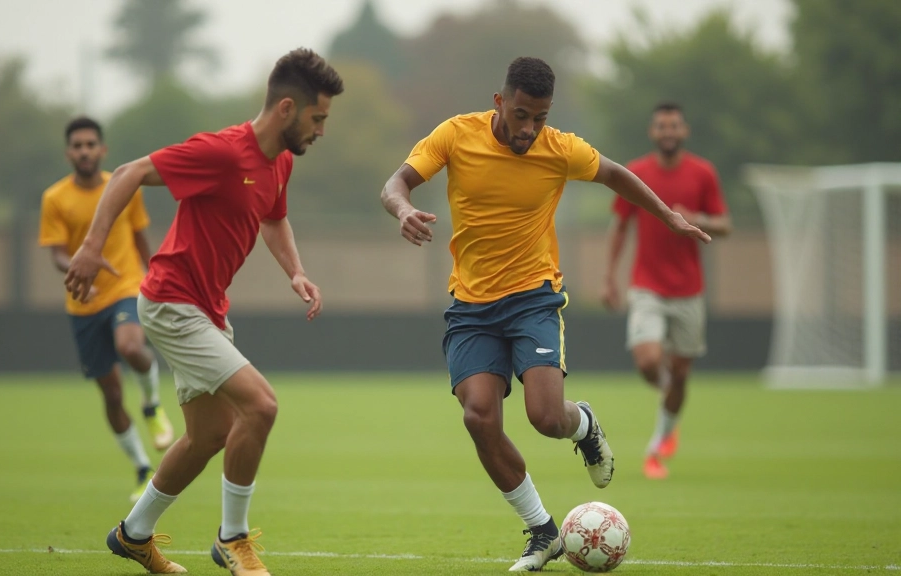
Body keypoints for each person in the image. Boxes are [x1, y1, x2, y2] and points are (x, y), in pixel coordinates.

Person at [381, 58, 710, 572]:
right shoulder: (456, 135)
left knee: (546, 418)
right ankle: (542, 532)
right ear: (499, 102)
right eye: (521, 115)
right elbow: (395, 182)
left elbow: (616, 175)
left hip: (533, 297)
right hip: (470, 306)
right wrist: (402, 208)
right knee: (478, 417)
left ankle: (585, 426)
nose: (529, 128)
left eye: (540, 116)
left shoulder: (560, 148)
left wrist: (667, 215)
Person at [64, 48, 344, 576]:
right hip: (172, 302)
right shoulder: (221, 152)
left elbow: (274, 218)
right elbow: (127, 172)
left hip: (207, 310)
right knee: (260, 406)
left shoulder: (280, 160)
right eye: (318, 118)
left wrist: (296, 271)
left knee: (208, 436)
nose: (321, 130)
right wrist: (92, 246)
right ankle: (232, 540)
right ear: (287, 108)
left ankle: (133, 535)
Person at [38, 116, 175, 503]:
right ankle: (142, 468)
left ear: (103, 150)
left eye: (90, 144)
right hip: (83, 304)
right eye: (77, 145)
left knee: (132, 347)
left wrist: (155, 278)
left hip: (125, 287)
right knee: (112, 396)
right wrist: (80, 267)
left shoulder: (125, 185)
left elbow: (139, 235)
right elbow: (58, 255)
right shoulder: (55, 199)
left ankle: (151, 406)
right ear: (69, 153)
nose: (84, 151)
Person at [601, 102, 732, 480]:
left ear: (684, 131)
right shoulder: (638, 172)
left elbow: (725, 225)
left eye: (674, 125)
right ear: (652, 132)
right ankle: (665, 390)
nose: (668, 131)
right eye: (662, 126)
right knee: (647, 360)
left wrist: (698, 219)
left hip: (689, 291)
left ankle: (660, 441)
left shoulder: (702, 173)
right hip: (647, 287)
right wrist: (610, 276)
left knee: (682, 373)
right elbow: (620, 226)